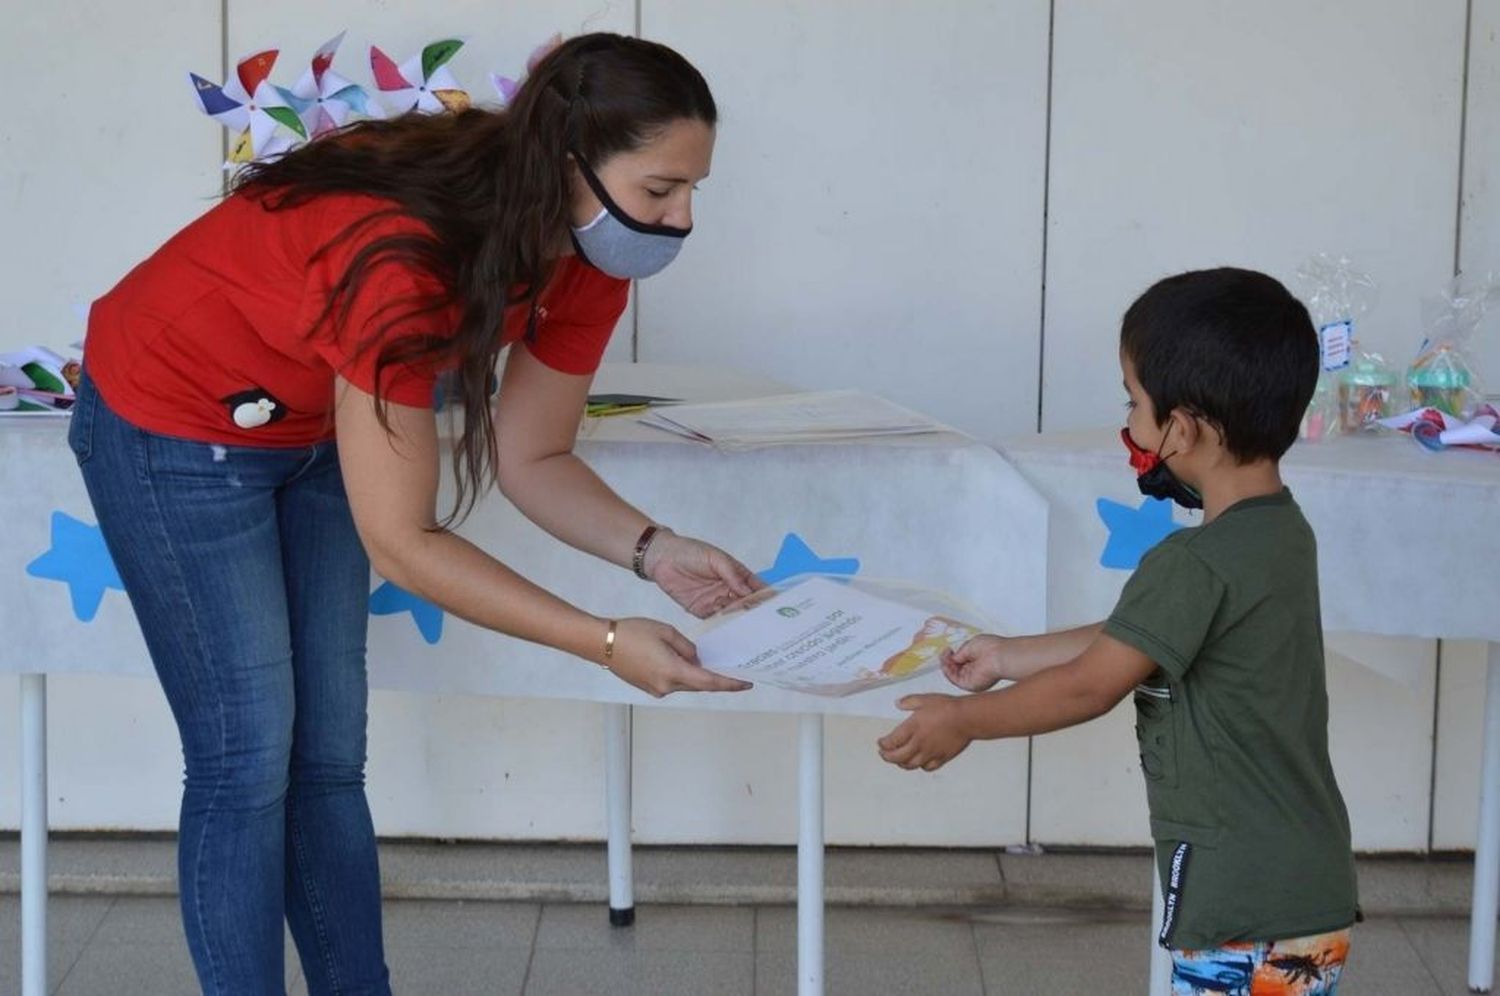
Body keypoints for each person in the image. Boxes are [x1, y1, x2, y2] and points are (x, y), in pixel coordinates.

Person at [70, 33, 757, 995]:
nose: (682, 219)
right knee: (246, 754)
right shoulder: (405, 258)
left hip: (312, 420)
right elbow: (403, 544)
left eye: (694, 190)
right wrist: (603, 639)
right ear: (570, 165)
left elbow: (534, 456)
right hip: (173, 418)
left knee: (329, 757)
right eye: (659, 190)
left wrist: (656, 550)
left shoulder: (591, 255)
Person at [878, 268, 1358, 994]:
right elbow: (1136, 634)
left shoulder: (1192, 561)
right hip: (1301, 882)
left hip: (1241, 904)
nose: (1130, 425)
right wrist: (1007, 655)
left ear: (1185, 429)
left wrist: (965, 720)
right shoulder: (1279, 533)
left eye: (1134, 403)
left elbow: (1091, 684)